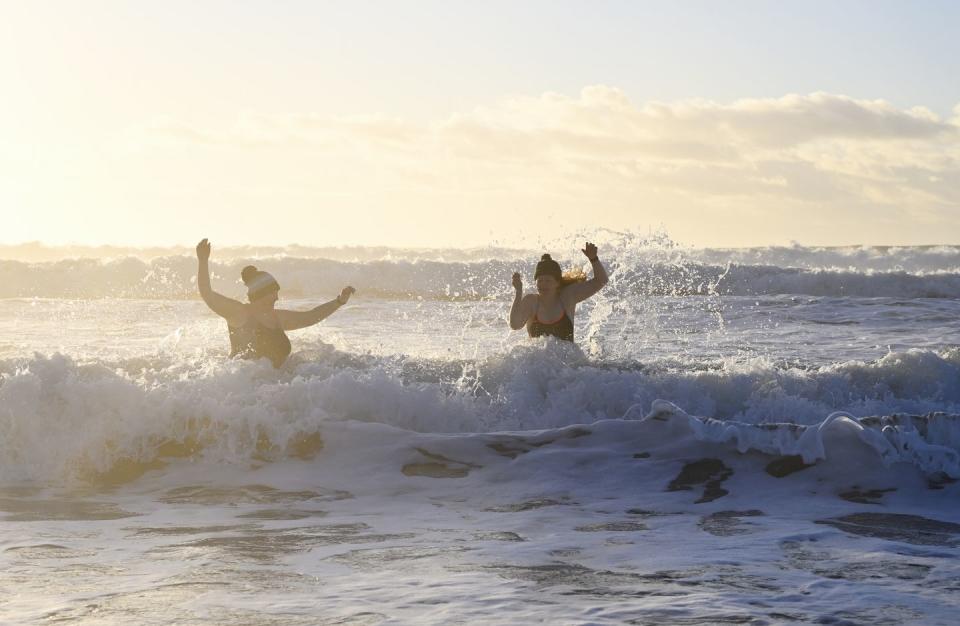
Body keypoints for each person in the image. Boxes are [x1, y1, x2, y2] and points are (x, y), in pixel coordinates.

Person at [195, 238, 355, 367]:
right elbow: (208, 295)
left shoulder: (277, 318)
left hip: (275, 392)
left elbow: (311, 317)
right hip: (243, 394)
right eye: (273, 294)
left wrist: (339, 301)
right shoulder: (239, 314)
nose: (277, 298)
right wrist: (203, 261)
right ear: (259, 294)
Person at [509, 242, 608, 341]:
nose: (543, 284)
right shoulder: (532, 301)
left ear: (557, 283)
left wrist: (593, 259)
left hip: (567, 356)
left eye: (548, 280)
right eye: (540, 281)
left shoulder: (568, 296)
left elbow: (601, 281)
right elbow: (515, 325)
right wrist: (518, 292)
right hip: (538, 357)